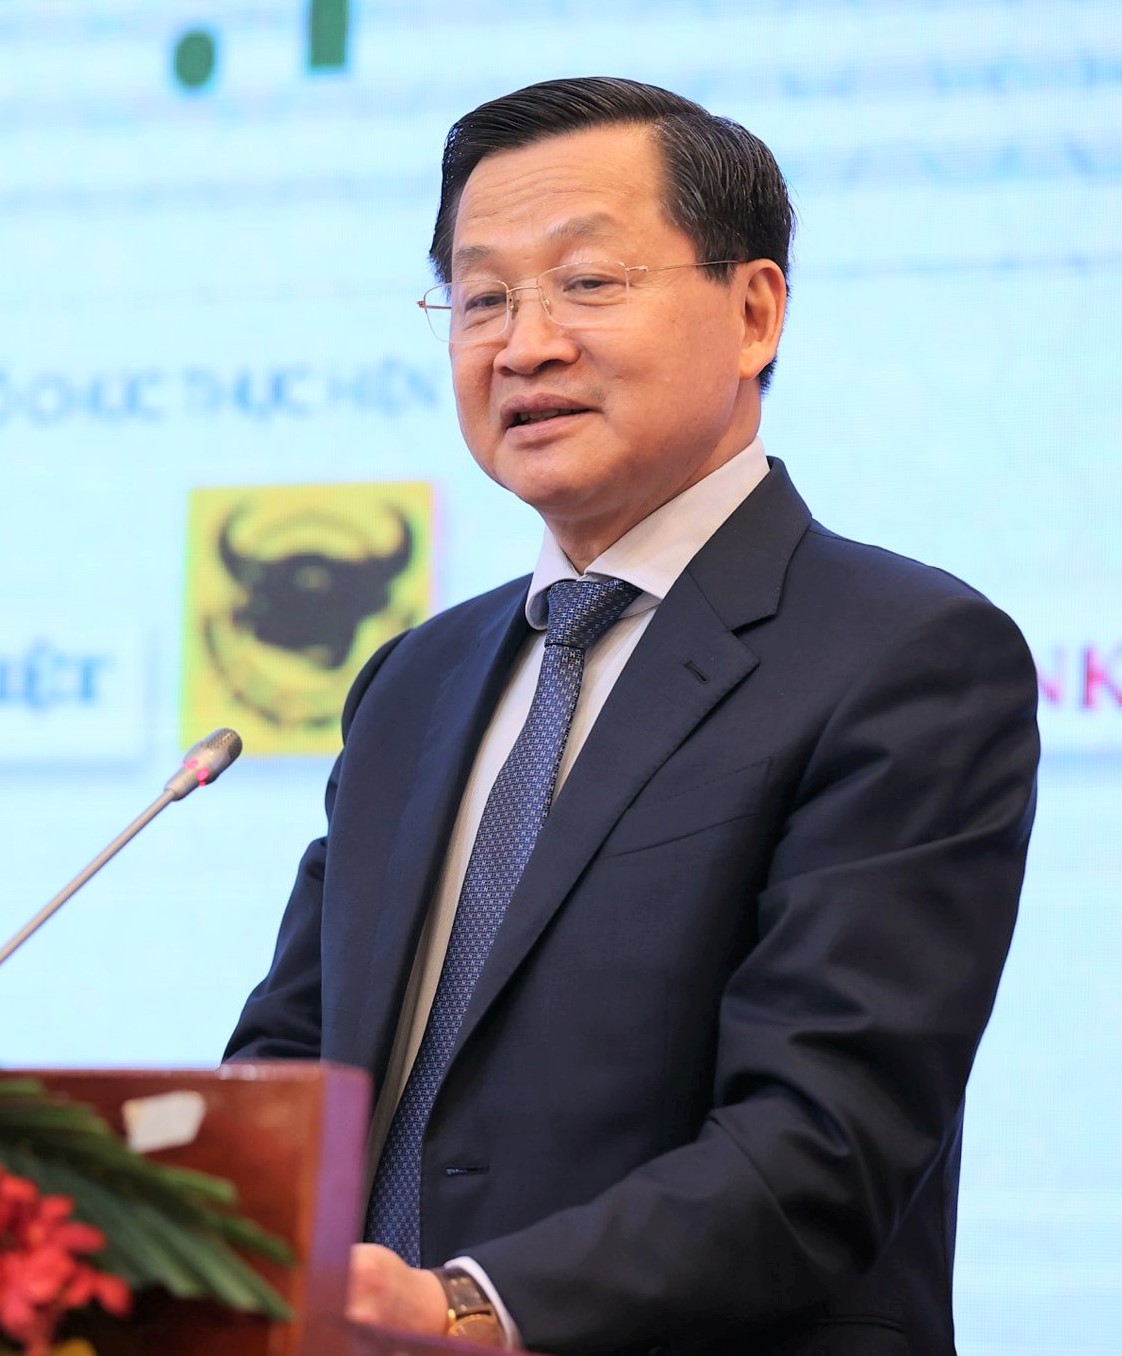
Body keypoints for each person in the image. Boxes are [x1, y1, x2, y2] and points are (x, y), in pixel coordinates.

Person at [224, 76, 1039, 1356]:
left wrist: (469, 1308)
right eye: (482, 298)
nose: (524, 345)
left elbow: (820, 1144)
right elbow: (292, 1061)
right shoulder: (413, 682)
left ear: (755, 311)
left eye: (587, 283)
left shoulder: (904, 657)